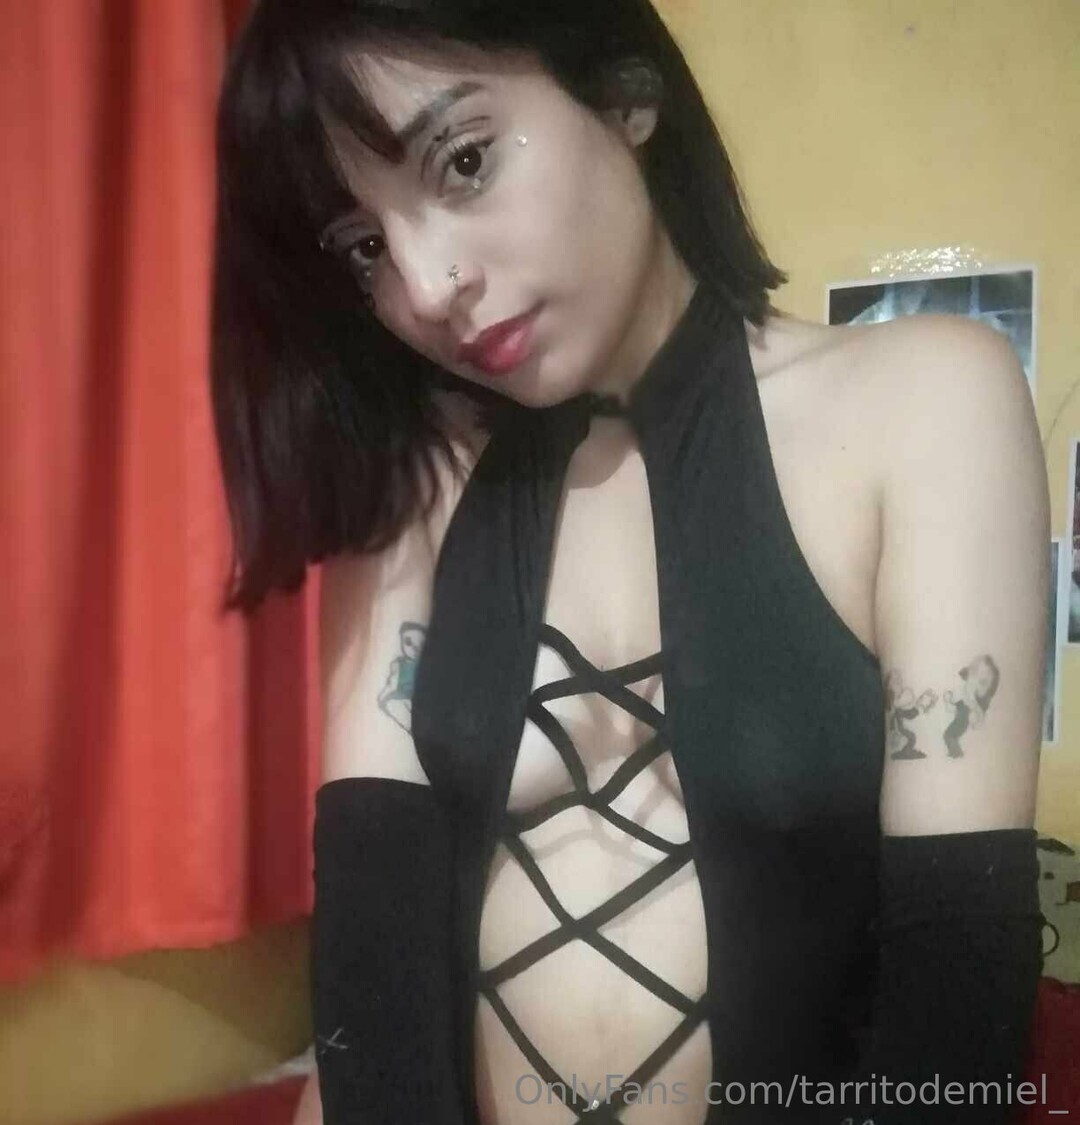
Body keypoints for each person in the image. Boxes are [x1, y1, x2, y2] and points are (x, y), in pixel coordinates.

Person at [210, 2, 1050, 1123]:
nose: (424, 285)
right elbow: (376, 969)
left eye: (464, 162)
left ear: (625, 93)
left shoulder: (926, 404)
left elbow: (958, 1004)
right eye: (366, 246)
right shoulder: (420, 479)